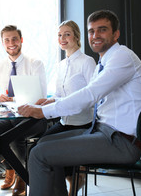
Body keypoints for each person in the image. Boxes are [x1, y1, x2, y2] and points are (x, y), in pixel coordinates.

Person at [18, 10, 141, 196]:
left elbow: (89, 94)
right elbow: (83, 94)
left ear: (116, 34)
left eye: (102, 30)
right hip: (104, 131)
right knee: (43, 143)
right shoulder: (104, 62)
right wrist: (47, 106)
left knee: (39, 154)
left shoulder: (123, 57)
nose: (95, 36)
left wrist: (43, 112)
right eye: (91, 31)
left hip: (122, 142)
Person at [0, 25, 48, 196]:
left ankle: (22, 176)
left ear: (21, 40)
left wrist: (14, 99)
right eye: (7, 40)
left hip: (33, 117)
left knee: (15, 134)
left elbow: (41, 95)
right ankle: (11, 168)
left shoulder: (35, 64)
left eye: (14, 39)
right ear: (2, 43)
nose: (11, 43)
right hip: (8, 115)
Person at [35, 20, 95, 194]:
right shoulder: (61, 65)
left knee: (50, 146)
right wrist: (49, 101)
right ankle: (71, 180)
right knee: (41, 144)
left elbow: (93, 96)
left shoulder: (87, 62)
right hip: (64, 121)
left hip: (82, 123)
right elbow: (60, 96)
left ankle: (72, 180)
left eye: (67, 34)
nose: (62, 38)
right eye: (59, 35)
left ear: (76, 37)